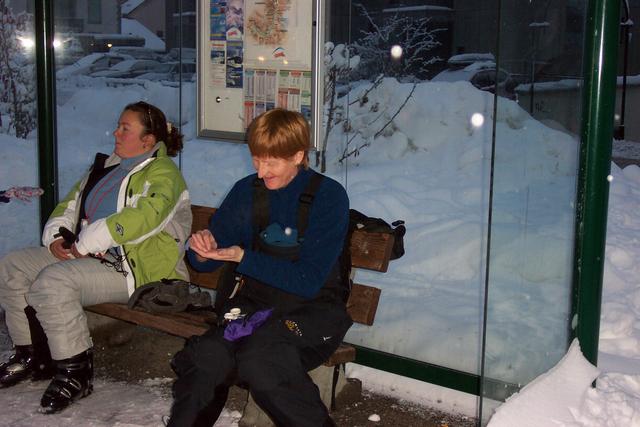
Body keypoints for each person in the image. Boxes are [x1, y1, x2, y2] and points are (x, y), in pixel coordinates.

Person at [0, 101, 192, 414]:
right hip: (91, 257)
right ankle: (32, 354)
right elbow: (70, 205)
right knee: (13, 265)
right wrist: (57, 239)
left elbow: (144, 217)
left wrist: (88, 241)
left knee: (54, 282)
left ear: (148, 140)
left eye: (125, 128)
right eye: (118, 125)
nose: (115, 132)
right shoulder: (108, 166)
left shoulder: (164, 174)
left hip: (136, 270)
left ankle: (76, 373)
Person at [167, 109, 352, 427]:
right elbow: (204, 260)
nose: (262, 171)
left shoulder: (328, 197)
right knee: (207, 357)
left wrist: (243, 257)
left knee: (261, 359)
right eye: (256, 159)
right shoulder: (247, 191)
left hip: (311, 314)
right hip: (256, 309)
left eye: (272, 162)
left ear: (297, 155)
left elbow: (307, 281)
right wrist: (203, 250)